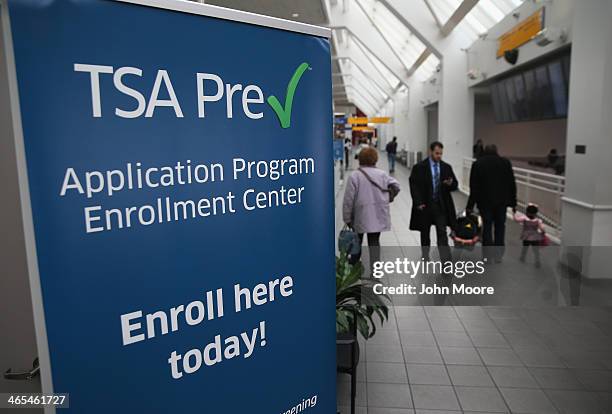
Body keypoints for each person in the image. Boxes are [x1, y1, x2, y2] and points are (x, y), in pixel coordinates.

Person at [343, 147, 400, 265]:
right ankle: (375, 271)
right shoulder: (382, 174)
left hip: (360, 215)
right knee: (374, 243)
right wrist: (390, 197)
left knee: (356, 243)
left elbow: (348, 199)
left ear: (360, 159)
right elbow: (396, 185)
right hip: (378, 214)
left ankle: (353, 270)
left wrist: (347, 218)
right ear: (375, 159)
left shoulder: (355, 176)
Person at [466, 144, 517, 261]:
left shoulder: (478, 164)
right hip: (501, 203)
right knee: (500, 227)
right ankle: (498, 255)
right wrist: (513, 203)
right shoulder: (505, 163)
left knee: (487, 228)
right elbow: (512, 184)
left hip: (485, 203)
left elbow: (474, 187)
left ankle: (488, 256)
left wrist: (470, 206)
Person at [409, 141, 458, 260]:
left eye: (441, 154)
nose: (439, 156)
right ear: (430, 151)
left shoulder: (446, 167)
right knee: (424, 232)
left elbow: (455, 185)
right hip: (425, 206)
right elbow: (414, 185)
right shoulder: (420, 167)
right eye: (437, 153)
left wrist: (450, 184)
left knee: (442, 233)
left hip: (441, 206)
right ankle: (425, 255)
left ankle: (446, 262)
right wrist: (418, 202)